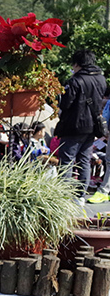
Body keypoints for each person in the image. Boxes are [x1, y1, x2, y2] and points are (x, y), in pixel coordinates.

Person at [54, 50, 107, 206]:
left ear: (77, 64)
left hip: (74, 126)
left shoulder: (76, 80)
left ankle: (63, 195)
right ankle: (80, 196)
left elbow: (65, 104)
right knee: (84, 160)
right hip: (92, 127)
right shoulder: (101, 78)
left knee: (67, 160)